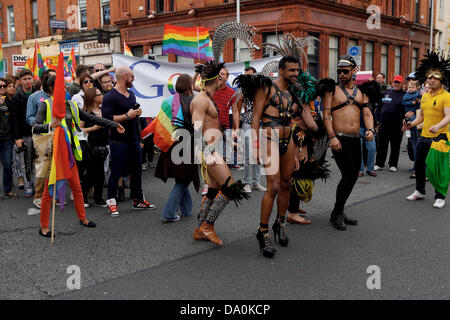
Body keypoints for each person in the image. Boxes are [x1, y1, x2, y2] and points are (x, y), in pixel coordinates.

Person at [236, 56, 315, 257]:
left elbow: (295, 120)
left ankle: (279, 223)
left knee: (287, 182)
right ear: (281, 70)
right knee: (274, 185)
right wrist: (254, 147)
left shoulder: (293, 92)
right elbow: (255, 119)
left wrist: (297, 151)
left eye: (297, 70)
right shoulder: (266, 88)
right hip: (268, 138)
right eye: (291, 70)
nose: (295, 74)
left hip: (288, 140)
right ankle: (263, 231)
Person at [32, 75, 125, 237]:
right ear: (53, 89)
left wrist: (114, 124)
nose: (66, 88)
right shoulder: (46, 106)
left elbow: (92, 118)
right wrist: (49, 125)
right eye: (62, 85)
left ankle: (83, 218)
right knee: (48, 192)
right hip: (51, 155)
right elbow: (35, 128)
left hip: (69, 154)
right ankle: (44, 227)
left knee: (76, 187)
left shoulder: (71, 105)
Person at [190, 61, 248, 246]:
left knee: (214, 188)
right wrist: (207, 152)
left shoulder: (208, 97)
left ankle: (200, 228)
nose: (224, 76)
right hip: (209, 150)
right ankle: (208, 226)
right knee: (231, 187)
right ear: (215, 79)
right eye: (221, 74)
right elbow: (197, 128)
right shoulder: (201, 99)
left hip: (214, 147)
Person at [319, 55, 375, 231]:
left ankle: (338, 211)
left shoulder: (361, 92)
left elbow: (367, 114)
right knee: (349, 175)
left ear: (354, 71)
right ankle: (337, 213)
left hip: (355, 139)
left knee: (352, 176)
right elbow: (326, 115)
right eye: (339, 72)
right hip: (339, 138)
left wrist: (370, 130)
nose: (342, 75)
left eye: (345, 71)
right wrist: (332, 136)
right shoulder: (331, 90)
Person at [102, 66, 156, 217]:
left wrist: (136, 116)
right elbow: (106, 118)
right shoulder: (110, 96)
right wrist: (127, 116)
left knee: (136, 171)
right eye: (132, 76)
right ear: (124, 77)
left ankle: (138, 199)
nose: (133, 79)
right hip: (118, 141)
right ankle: (112, 202)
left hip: (133, 139)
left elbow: (134, 117)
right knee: (117, 172)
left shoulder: (131, 94)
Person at [404, 52, 450, 209]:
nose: (431, 79)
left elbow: (449, 116)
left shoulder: (446, 96)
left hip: (440, 137)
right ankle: (420, 190)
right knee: (418, 165)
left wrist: (438, 126)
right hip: (423, 136)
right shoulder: (424, 96)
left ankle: (440, 196)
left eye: (435, 76)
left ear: (441, 79)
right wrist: (410, 124)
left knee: (437, 168)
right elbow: (421, 117)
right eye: (429, 76)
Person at [155, 74, 200, 222]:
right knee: (184, 179)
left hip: (171, 142)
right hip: (187, 143)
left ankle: (186, 210)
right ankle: (168, 213)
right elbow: (197, 126)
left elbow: (161, 124)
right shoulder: (193, 101)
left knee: (182, 177)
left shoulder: (167, 102)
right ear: (189, 86)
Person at [231, 66, 266, 194]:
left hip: (261, 125)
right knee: (247, 154)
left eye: (250, 75)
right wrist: (237, 128)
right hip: (247, 124)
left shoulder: (262, 89)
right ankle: (246, 182)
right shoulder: (242, 90)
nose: (247, 77)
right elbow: (236, 108)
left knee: (259, 154)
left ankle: (256, 182)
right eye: (245, 75)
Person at [26, 69, 56, 208]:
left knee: (55, 168)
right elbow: (30, 117)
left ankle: (51, 195)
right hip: (42, 137)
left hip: (57, 135)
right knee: (42, 168)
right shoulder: (35, 97)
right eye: (51, 78)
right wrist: (44, 126)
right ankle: (38, 196)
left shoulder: (60, 96)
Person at [79, 87, 111, 207]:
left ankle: (98, 197)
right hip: (90, 146)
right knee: (91, 173)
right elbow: (79, 130)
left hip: (104, 144)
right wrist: (93, 128)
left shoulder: (104, 110)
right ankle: (84, 198)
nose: (101, 96)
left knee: (101, 173)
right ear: (93, 98)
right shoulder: (85, 112)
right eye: (99, 94)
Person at [10, 69, 37, 197]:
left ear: (33, 79)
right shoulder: (17, 97)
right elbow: (14, 118)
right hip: (24, 134)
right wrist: (18, 138)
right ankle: (28, 186)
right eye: (24, 79)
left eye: (29, 78)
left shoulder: (38, 94)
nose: (27, 81)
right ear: (20, 81)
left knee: (37, 161)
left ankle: (38, 185)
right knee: (25, 162)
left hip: (37, 133)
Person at [374, 75, 406, 172]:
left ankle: (393, 164)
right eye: (395, 82)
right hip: (384, 124)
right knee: (381, 145)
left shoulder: (405, 95)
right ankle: (379, 163)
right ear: (392, 83)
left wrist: (406, 123)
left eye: (398, 82)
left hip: (397, 124)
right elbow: (380, 106)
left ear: (402, 84)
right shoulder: (387, 92)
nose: (396, 84)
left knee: (395, 145)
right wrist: (377, 118)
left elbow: (408, 109)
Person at [402, 79, 422, 176]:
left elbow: (420, 105)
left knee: (416, 145)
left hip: (416, 118)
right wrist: (412, 103)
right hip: (409, 115)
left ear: (416, 87)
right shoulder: (407, 95)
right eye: (409, 87)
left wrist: (417, 101)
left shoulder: (418, 94)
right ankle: (416, 166)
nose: (411, 89)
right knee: (413, 145)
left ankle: (418, 167)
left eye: (412, 87)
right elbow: (404, 102)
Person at [0, 77, 15, 198]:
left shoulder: (9, 100)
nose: (2, 88)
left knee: (8, 164)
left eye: (4, 86)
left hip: (7, 137)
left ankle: (7, 190)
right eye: (0, 86)